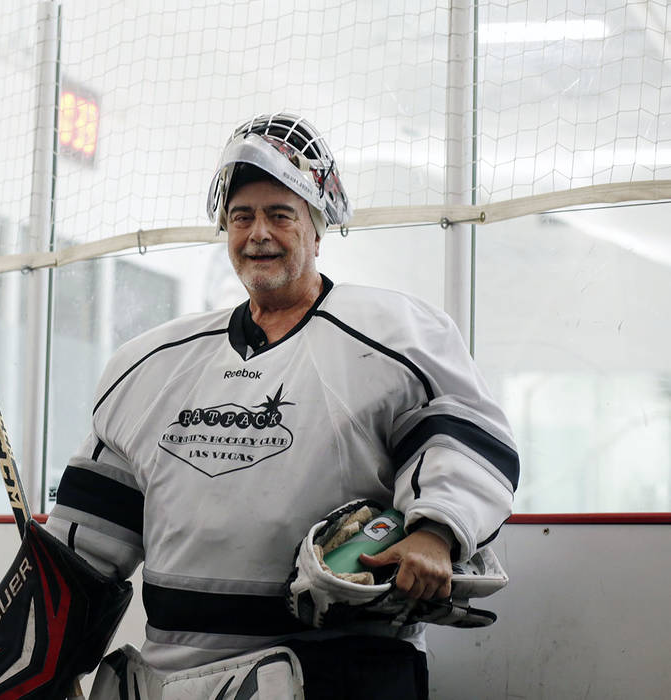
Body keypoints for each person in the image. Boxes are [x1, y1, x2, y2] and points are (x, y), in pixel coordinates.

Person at [44, 113, 518, 699]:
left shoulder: (397, 337)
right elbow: (82, 551)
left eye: (280, 215)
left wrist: (435, 532)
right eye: (242, 217)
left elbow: (463, 438)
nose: (258, 233)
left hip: (337, 674)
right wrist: (42, 663)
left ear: (317, 230)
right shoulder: (150, 365)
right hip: (173, 679)